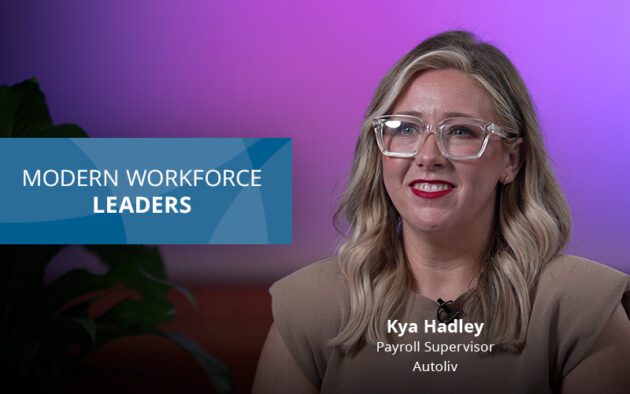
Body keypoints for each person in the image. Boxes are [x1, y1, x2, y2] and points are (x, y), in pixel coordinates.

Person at [252, 31, 630, 394]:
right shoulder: (307, 307)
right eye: (405, 129)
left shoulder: (582, 308)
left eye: (461, 131)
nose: (429, 156)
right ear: (380, 150)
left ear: (511, 161)